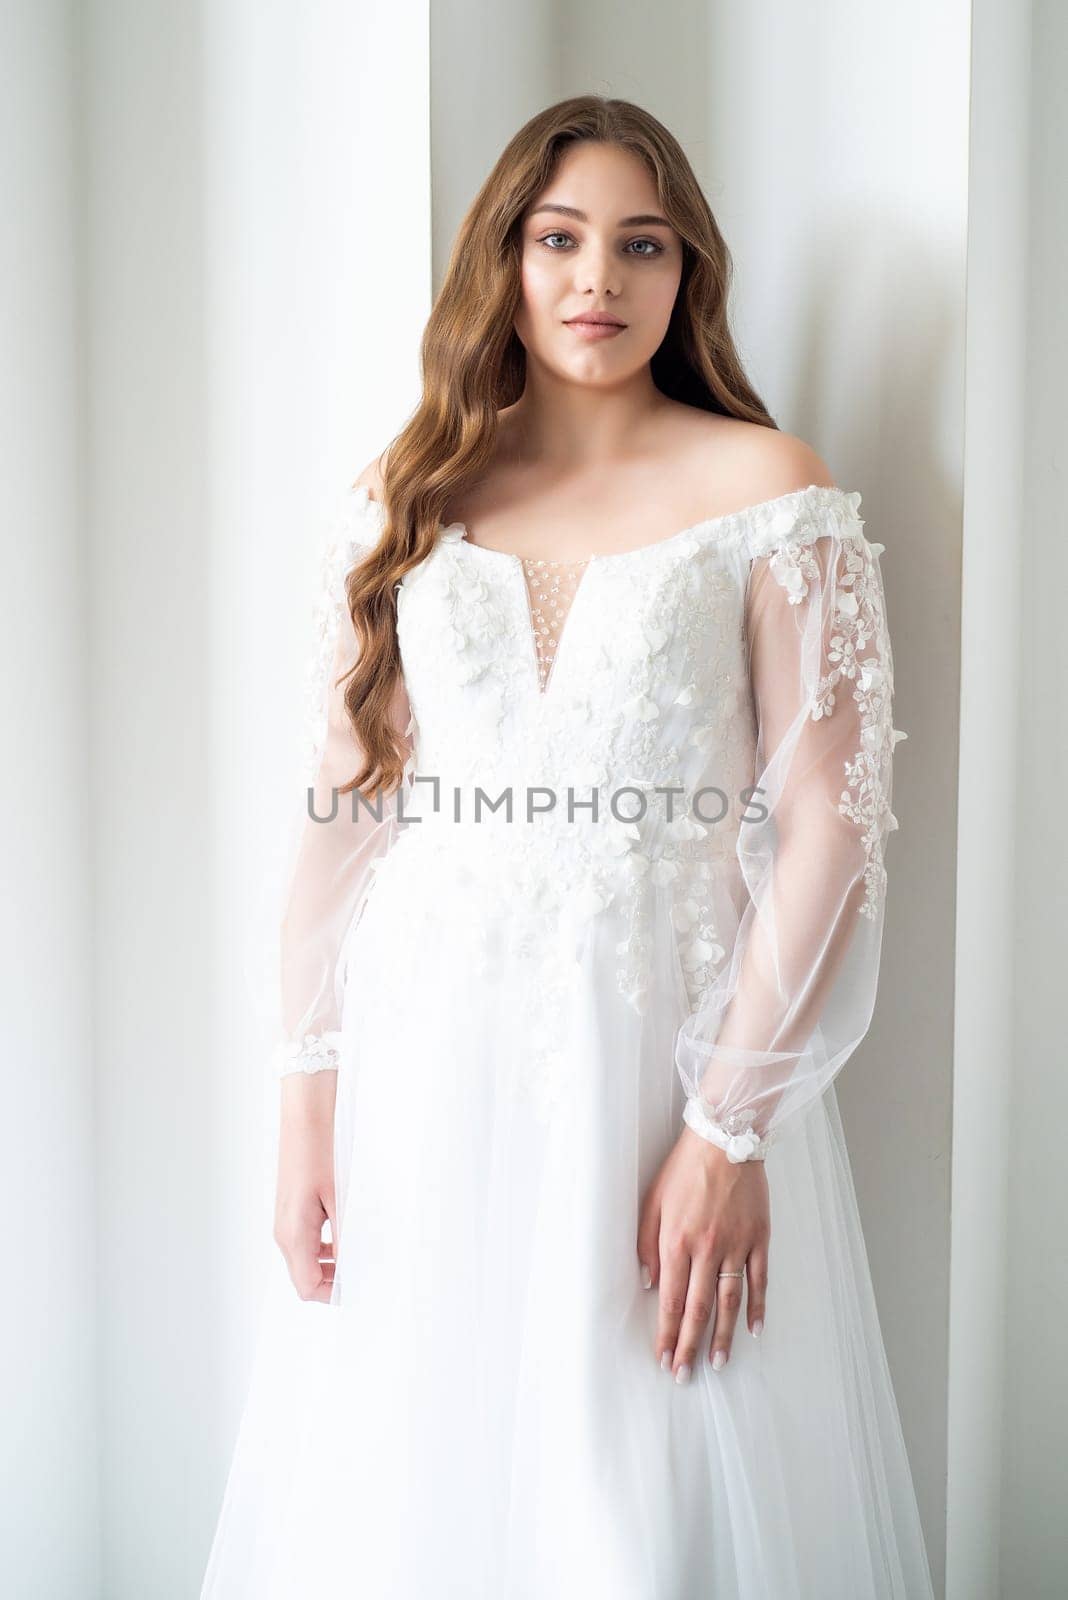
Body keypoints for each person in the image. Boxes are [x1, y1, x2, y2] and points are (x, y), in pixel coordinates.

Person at [200, 96, 934, 1599]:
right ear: (508, 263)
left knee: (647, 1481)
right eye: (559, 239)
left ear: (686, 276)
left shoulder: (768, 490)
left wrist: (729, 1129)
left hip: (658, 1065)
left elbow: (830, 828)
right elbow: (339, 821)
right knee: (415, 1484)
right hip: (426, 1069)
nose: (597, 277)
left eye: (640, 245)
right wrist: (301, 1106)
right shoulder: (413, 498)